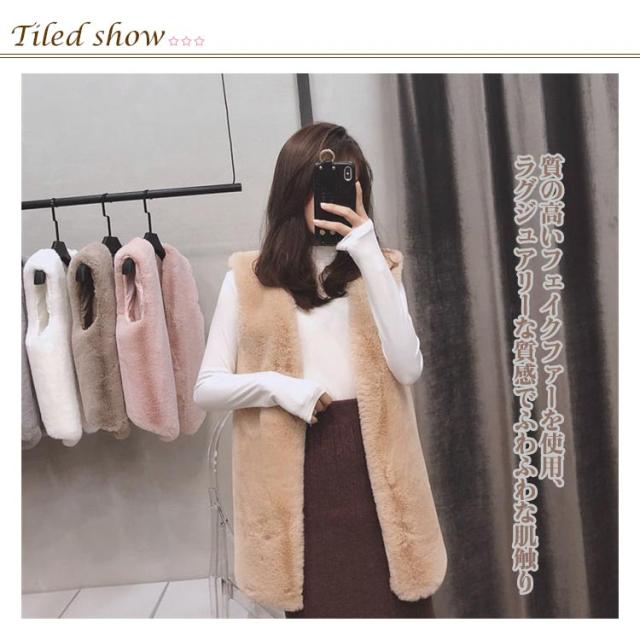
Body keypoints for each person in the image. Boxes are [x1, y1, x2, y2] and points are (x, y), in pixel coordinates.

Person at [193, 122, 446, 618]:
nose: (333, 197)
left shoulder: (379, 269)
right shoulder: (249, 279)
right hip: (301, 477)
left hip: (380, 478)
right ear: (293, 188)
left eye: (348, 182)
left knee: (401, 609)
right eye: (321, 183)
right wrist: (277, 387)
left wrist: (368, 251)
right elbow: (208, 387)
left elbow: (407, 366)